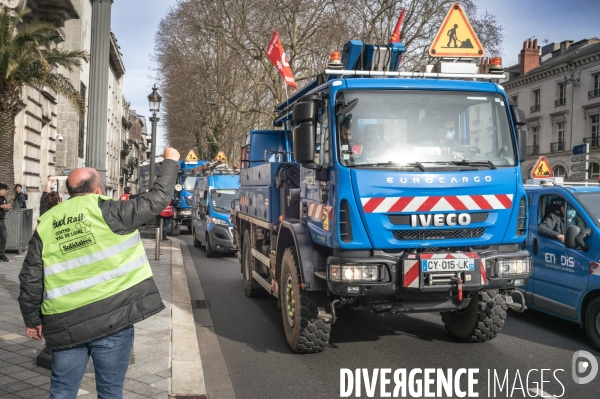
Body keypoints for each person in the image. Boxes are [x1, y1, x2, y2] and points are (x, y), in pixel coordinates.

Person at [18, 147, 180, 398]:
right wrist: (170, 162)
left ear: (69, 192)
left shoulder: (48, 222)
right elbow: (157, 199)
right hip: (112, 319)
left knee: (62, 391)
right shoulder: (113, 212)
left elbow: (30, 277)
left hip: (64, 323)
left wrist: (32, 320)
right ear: (97, 189)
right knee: (110, 391)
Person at [0, 183, 11, 262]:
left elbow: (4, 207)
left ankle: (2, 254)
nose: (5, 191)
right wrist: (1, 206)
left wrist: (7, 207)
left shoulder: (3, 198)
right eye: (3, 190)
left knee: (4, 237)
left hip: (1, 219)